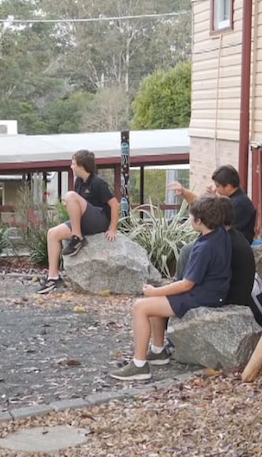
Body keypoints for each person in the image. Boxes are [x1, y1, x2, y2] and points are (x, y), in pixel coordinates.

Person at [109, 196, 231, 381]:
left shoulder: (205, 247)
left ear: (199, 221)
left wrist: (154, 291)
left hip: (202, 296)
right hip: (214, 291)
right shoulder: (220, 232)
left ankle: (139, 365)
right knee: (153, 303)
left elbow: (187, 284)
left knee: (140, 306)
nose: (189, 220)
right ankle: (158, 351)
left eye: (191, 217)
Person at [38, 150, 120, 294]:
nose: (71, 166)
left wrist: (113, 228)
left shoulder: (98, 182)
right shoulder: (79, 182)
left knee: (70, 196)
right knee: (52, 234)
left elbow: (115, 204)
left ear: (82, 166)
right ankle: (53, 277)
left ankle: (77, 238)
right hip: (83, 222)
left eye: (73, 164)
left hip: (99, 222)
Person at [169, 164, 257, 247]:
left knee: (187, 251)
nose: (216, 189)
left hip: (230, 246)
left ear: (228, 186)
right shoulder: (235, 199)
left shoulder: (238, 204)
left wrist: (184, 193)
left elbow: (204, 210)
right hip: (224, 241)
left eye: (217, 186)